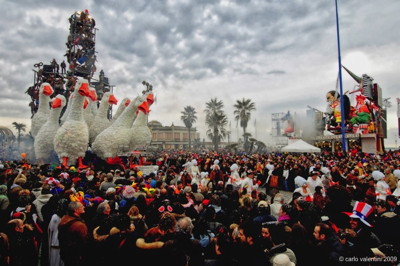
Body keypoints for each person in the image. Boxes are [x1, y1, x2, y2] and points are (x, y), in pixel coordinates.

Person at [58, 201, 88, 266]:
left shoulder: (63, 220)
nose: (84, 207)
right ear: (76, 210)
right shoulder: (79, 225)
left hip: (66, 254)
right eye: (81, 206)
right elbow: (84, 242)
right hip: (77, 256)